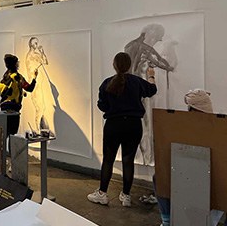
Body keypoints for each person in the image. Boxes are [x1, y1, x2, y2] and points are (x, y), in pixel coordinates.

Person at [88, 52, 157, 207]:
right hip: (133, 125)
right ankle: (126, 196)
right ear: (129, 65)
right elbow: (152, 90)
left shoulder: (107, 83)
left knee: (108, 160)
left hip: (114, 125)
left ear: (114, 65)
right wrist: (151, 76)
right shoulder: (137, 82)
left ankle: (102, 194)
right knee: (128, 161)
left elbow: (102, 105)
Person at [153, 89, 215, 226]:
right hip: (189, 172)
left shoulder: (215, 129)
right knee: (158, 176)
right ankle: (167, 219)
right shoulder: (212, 127)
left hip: (205, 176)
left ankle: (166, 219)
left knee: (158, 177)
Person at [0, 54, 37, 136]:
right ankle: (11, 149)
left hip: (3, 107)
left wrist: (21, 92)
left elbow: (8, 90)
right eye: (17, 62)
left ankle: (3, 149)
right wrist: (34, 78)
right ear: (15, 64)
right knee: (12, 134)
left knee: (5, 134)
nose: (18, 63)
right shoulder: (18, 77)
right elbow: (30, 88)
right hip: (13, 109)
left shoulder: (5, 76)